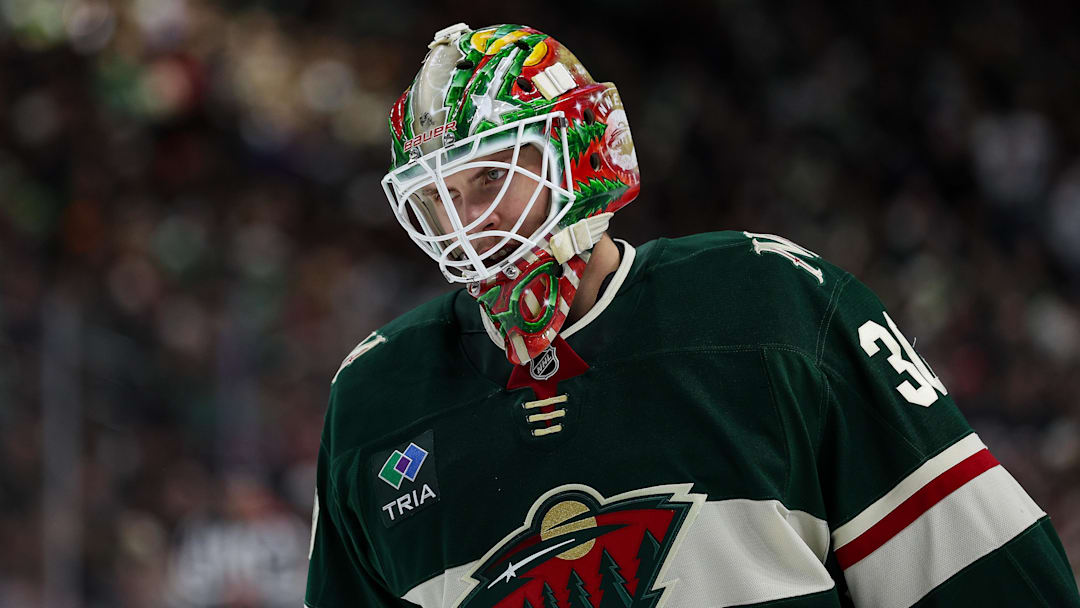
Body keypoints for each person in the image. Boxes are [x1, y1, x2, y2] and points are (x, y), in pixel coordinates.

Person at [304, 23, 1080, 608]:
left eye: (487, 181)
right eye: (437, 199)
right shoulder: (375, 402)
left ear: (580, 155)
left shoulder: (771, 305)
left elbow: (999, 581)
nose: (464, 224)